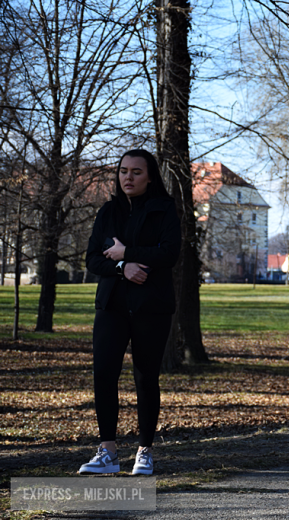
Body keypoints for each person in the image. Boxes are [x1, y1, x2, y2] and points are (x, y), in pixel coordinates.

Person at [79, 149, 181, 476]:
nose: (128, 177)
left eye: (136, 172)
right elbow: (93, 259)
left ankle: (144, 451)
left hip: (151, 307)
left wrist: (125, 252)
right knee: (104, 374)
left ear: (150, 176)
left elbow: (169, 254)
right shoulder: (108, 212)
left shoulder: (164, 209)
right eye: (123, 171)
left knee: (145, 377)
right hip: (112, 306)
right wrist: (124, 266)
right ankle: (107, 452)